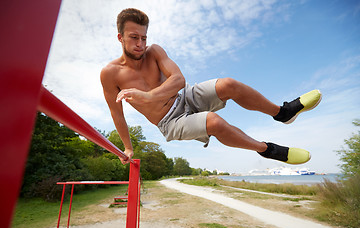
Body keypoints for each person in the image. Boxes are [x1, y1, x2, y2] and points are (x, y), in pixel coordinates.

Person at [101, 8, 322, 165]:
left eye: (144, 37)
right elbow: (117, 113)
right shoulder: (110, 74)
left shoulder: (155, 51)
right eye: (134, 38)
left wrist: (148, 97)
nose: (140, 44)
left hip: (184, 96)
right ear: (120, 37)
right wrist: (128, 147)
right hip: (169, 121)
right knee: (213, 121)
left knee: (229, 84)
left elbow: (178, 79)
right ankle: (268, 150)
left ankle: (282, 113)